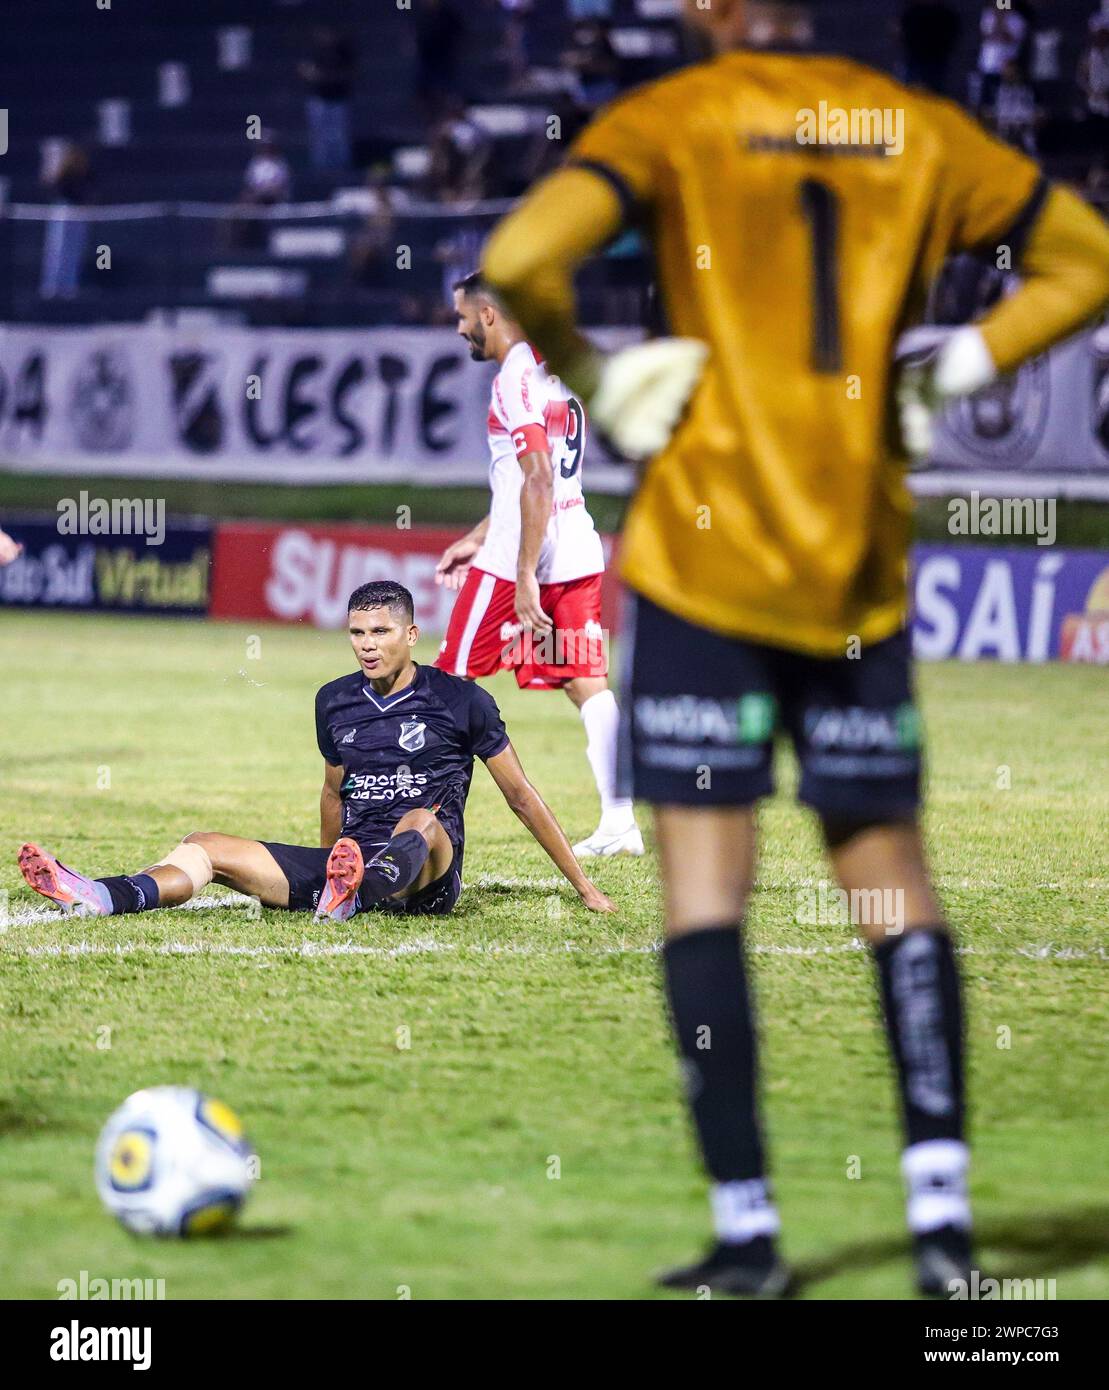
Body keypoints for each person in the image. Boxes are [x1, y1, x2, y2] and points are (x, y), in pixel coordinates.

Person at [479, 0, 1109, 1296]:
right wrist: (955, 369)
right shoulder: (917, 129)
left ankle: (748, 1234)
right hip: (852, 577)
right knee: (891, 892)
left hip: (709, 566)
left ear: (710, 10)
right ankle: (941, 1230)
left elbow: (523, 254)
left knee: (707, 897)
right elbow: (1086, 256)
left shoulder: (679, 118)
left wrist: (598, 373)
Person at [18, 581, 616, 922]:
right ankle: (102, 894)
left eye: (380, 632)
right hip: (350, 867)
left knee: (424, 819)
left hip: (427, 876)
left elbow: (520, 797)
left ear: (411, 634)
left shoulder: (463, 701)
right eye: (357, 632)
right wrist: (333, 862)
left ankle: (357, 889)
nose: (366, 645)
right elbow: (333, 791)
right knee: (206, 846)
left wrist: (586, 888)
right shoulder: (334, 701)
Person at [434, 273, 643, 859]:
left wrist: (522, 570)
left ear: (490, 316)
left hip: (519, 557)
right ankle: (621, 821)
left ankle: (417, 814)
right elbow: (531, 479)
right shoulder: (556, 375)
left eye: (462, 316)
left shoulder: (513, 380)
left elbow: (536, 476)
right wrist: (478, 533)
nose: (459, 328)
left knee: (449, 680)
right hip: (575, 545)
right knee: (588, 685)